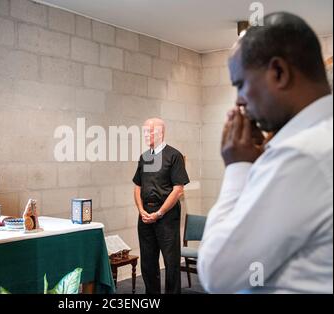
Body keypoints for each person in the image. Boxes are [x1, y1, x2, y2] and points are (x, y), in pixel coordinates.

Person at [197, 12, 333, 293]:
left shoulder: (300, 154)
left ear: (279, 73)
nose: (239, 100)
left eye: (240, 83)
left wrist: (237, 167)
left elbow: (216, 274)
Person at [133, 118, 190, 294]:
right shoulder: (144, 157)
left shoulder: (174, 156)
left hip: (166, 216)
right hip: (145, 216)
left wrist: (159, 213)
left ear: (161, 132)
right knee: (148, 263)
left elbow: (178, 190)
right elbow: (137, 187)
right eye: (144, 132)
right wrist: (141, 210)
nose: (146, 135)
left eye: (149, 131)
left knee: (171, 263)